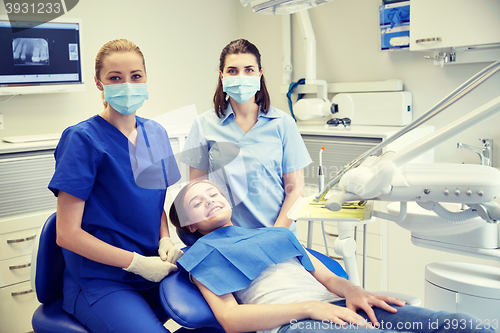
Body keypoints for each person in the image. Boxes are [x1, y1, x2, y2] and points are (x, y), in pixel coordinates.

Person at [169, 180, 496, 333]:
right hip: (294, 322)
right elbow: (230, 319)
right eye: (197, 203)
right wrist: (311, 308)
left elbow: (326, 277)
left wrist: (354, 291)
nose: (210, 199)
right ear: (190, 225)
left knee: (461, 325)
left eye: (213, 193)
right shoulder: (203, 255)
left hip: (339, 305)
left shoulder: (275, 234)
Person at [49, 39, 182, 333]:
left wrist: (166, 240)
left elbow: (155, 202)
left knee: (224, 315)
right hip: (102, 281)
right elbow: (67, 234)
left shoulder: (156, 133)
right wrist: (136, 263)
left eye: (136, 76)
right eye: (115, 78)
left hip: (155, 271)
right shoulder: (82, 140)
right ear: (99, 84)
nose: (128, 85)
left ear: (146, 79)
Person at [180, 39, 312, 235]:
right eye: (232, 71)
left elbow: (295, 191)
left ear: (259, 74)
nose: (241, 76)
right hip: (226, 237)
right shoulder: (203, 125)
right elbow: (196, 192)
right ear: (222, 76)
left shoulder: (283, 124)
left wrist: (275, 237)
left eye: (249, 70)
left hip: (277, 233)